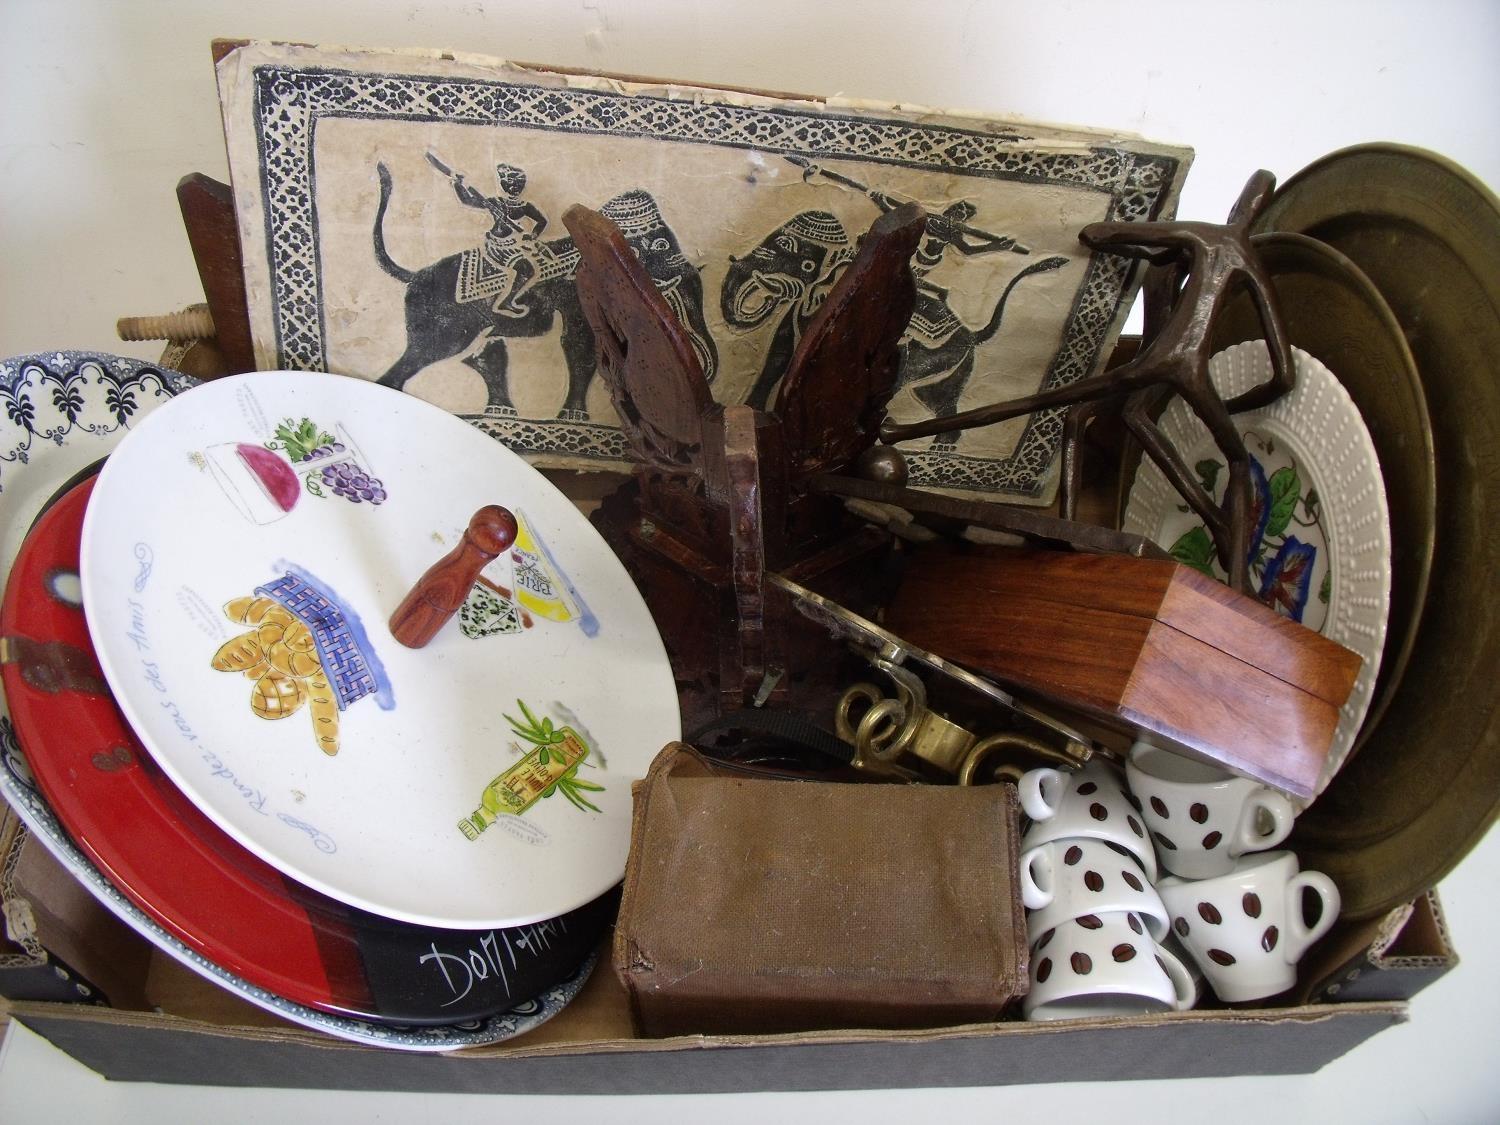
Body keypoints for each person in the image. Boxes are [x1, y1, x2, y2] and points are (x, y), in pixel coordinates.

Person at [452, 163, 550, 316]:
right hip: (496, 245)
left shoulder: (525, 206)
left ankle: (507, 300)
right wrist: (458, 184)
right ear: (504, 186)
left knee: (530, 269)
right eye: (511, 185)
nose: (515, 189)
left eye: (518, 185)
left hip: (513, 245)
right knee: (526, 268)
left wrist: (532, 235)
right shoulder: (496, 203)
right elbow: (468, 200)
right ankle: (507, 302)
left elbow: (542, 221)